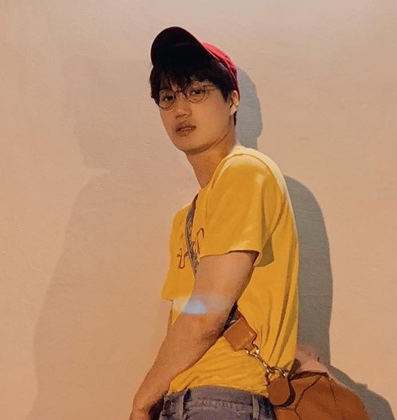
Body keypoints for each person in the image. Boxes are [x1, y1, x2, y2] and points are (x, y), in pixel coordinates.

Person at [130, 27, 299, 420]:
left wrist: (142, 400)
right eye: (168, 97)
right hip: (185, 400)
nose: (180, 109)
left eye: (196, 91)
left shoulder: (245, 172)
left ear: (232, 99)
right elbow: (185, 320)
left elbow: (207, 318)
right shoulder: (186, 217)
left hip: (224, 401)